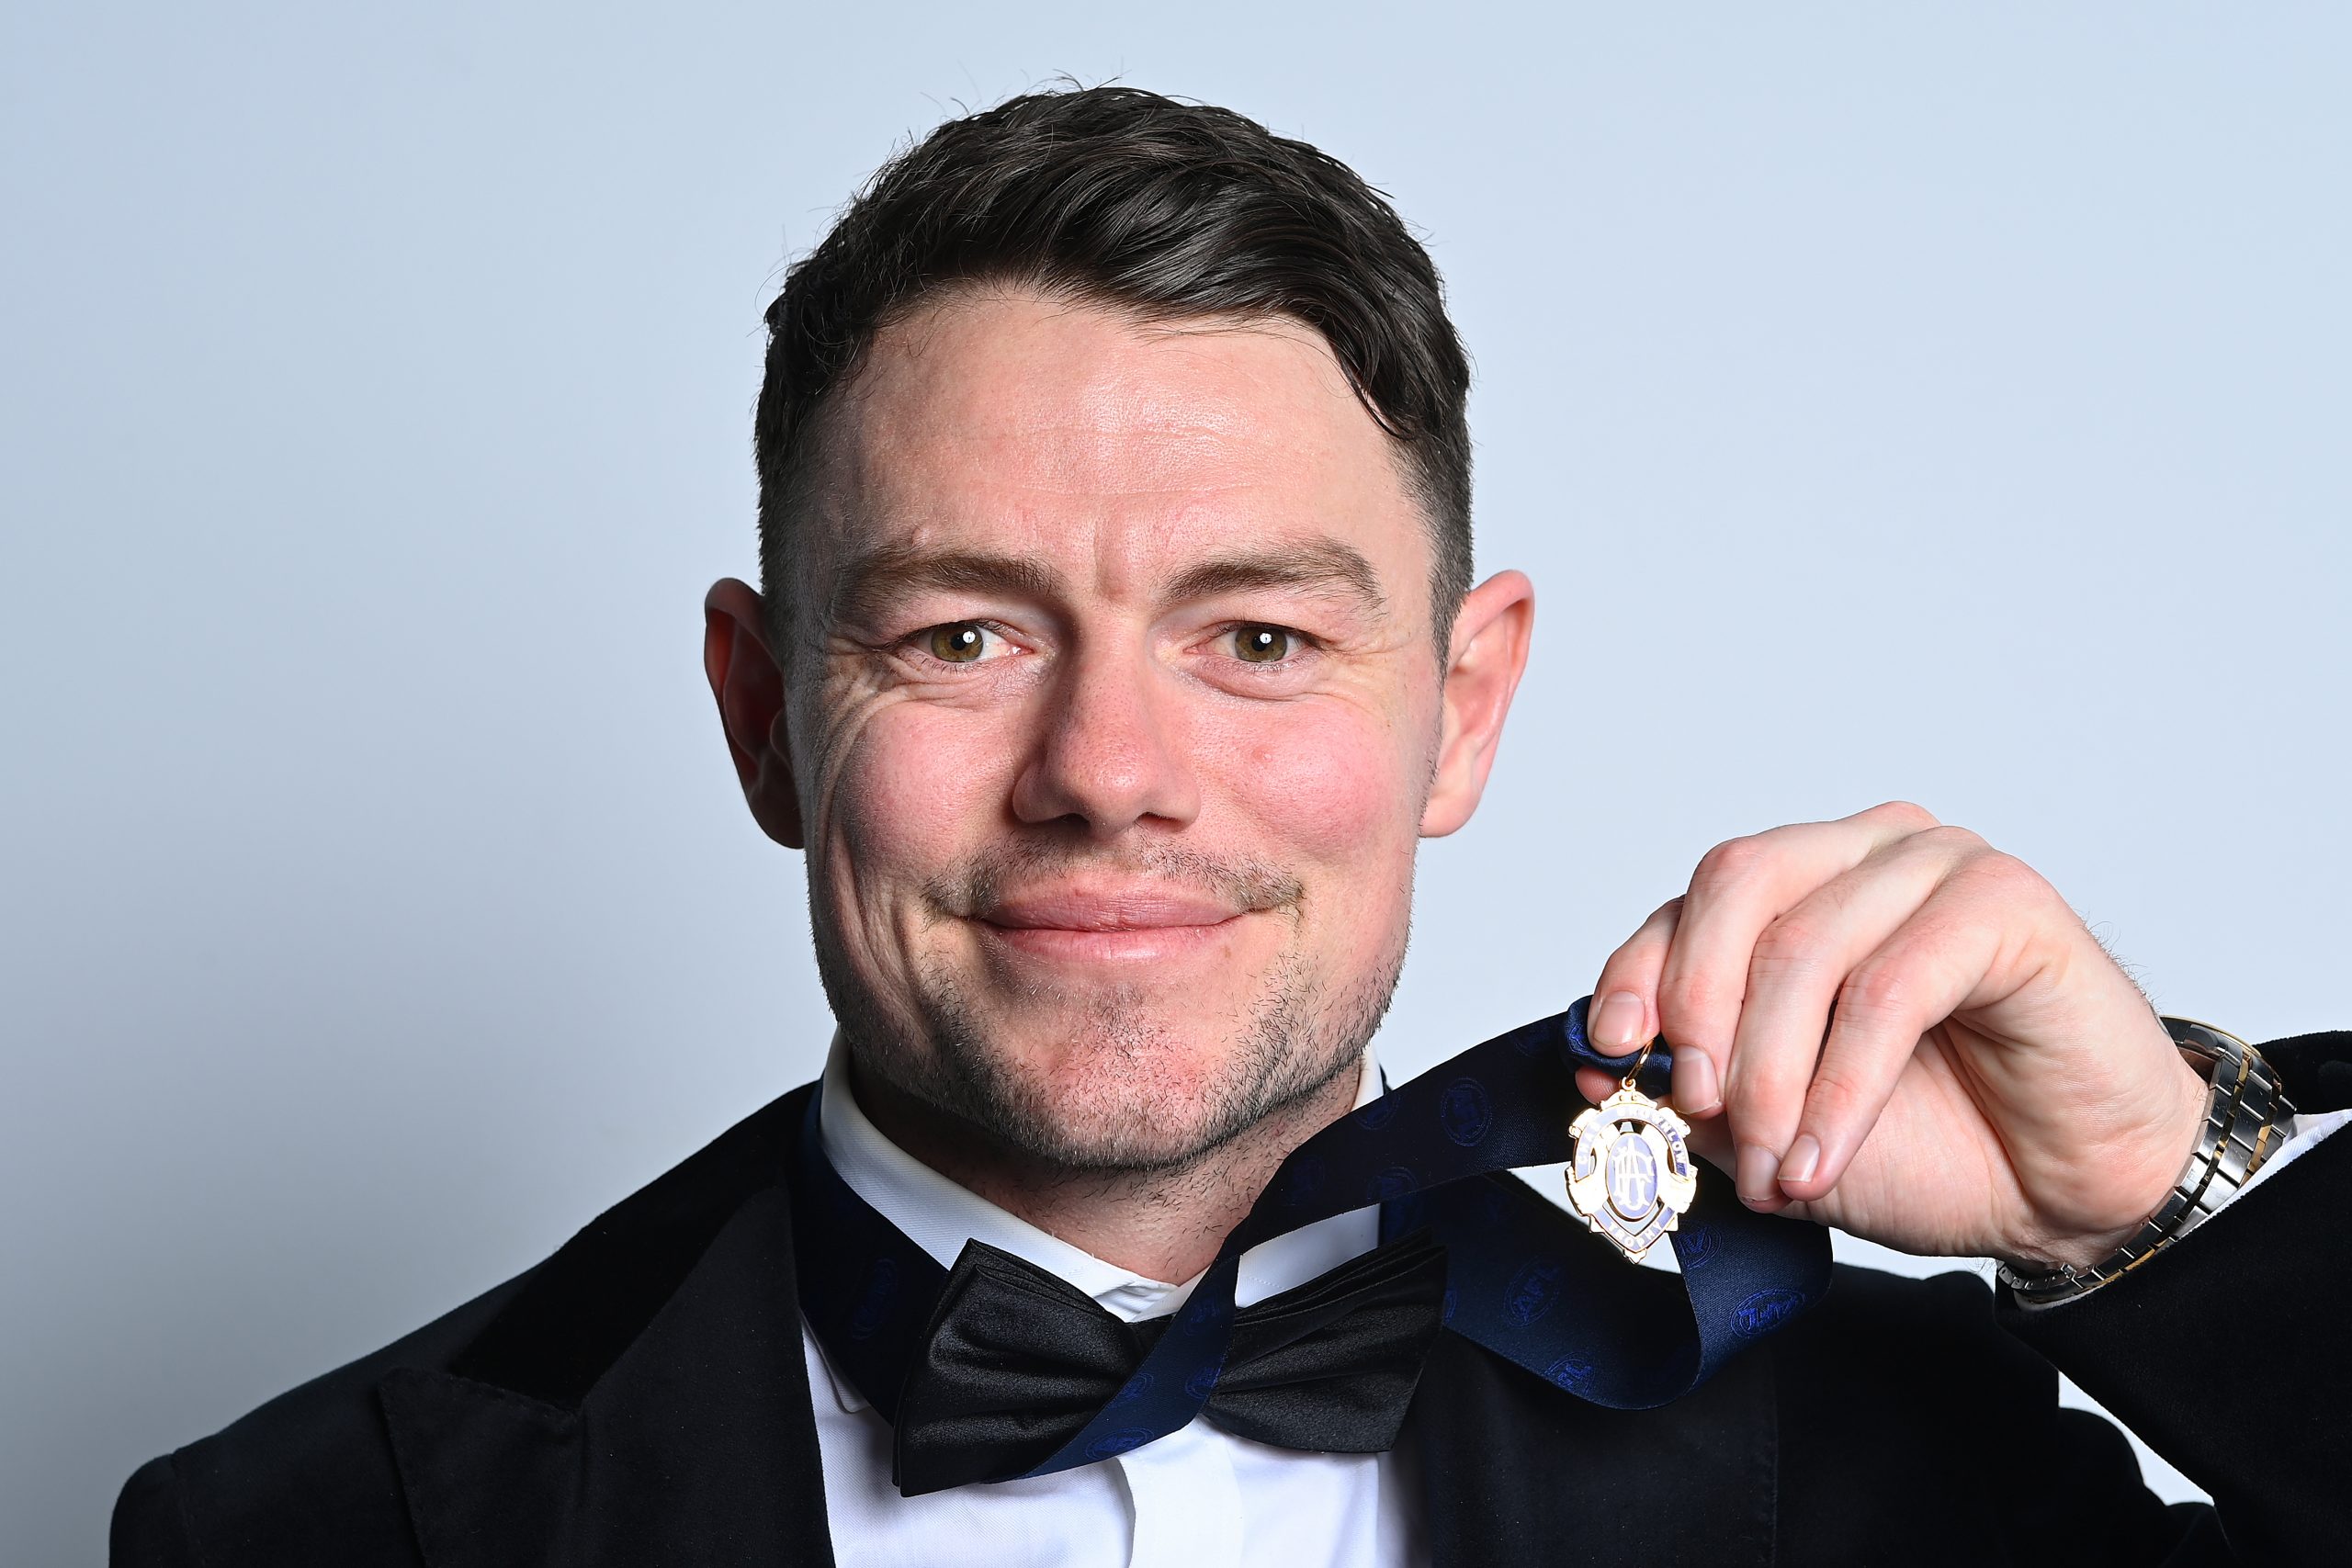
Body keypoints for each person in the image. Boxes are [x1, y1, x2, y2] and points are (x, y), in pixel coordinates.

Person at [110, 85, 2350, 1567]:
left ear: (1457, 709)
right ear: (761, 713)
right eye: (965, 636)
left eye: (1257, 637)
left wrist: (2164, 1193)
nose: (1111, 767)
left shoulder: (1846, 1451)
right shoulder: (320, 1525)